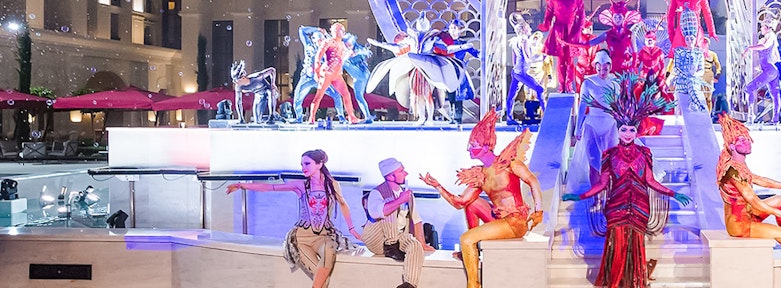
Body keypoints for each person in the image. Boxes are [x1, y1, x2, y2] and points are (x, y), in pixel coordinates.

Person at [563, 74, 691, 288]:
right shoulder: (609, 155)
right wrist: (579, 195)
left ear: (636, 130)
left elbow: (650, 180)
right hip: (617, 206)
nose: (628, 133)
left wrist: (673, 193)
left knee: (636, 244)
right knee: (617, 243)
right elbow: (603, 183)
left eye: (632, 129)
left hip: (640, 206)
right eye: (624, 129)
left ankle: (636, 281)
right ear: (618, 130)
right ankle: (616, 282)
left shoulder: (645, 153)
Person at [421, 108, 544, 288]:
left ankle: (474, 284)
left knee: (466, 239)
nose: (469, 149)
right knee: (472, 203)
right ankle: (473, 250)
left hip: (516, 222)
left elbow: (532, 180)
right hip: (500, 220)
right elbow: (460, 202)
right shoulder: (480, 174)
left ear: (485, 145)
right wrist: (438, 186)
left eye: (473, 145)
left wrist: (538, 210)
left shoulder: (509, 163)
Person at [227, 149, 359, 288]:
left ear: (319, 164)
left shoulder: (332, 184)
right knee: (322, 280)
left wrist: (352, 228)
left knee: (327, 258)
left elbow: (343, 204)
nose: (303, 168)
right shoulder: (300, 185)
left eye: (307, 164)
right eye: (302, 164)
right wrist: (241, 185)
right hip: (302, 239)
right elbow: (270, 187)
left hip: (325, 236)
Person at [716, 113, 781, 288]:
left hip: (747, 215)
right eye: (742, 140)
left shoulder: (739, 165)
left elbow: (758, 179)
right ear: (731, 145)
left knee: (779, 199)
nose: (748, 142)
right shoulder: (733, 171)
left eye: (747, 139)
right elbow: (754, 201)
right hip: (740, 225)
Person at [530, 0, 600, 92]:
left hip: (572, 31)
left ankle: (569, 85)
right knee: (561, 61)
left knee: (570, 61)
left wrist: (577, 31)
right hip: (558, 31)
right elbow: (549, 15)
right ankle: (562, 86)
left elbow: (581, 16)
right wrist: (545, 26)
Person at [362, 157, 427, 288]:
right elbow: (376, 213)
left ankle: (409, 284)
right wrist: (399, 201)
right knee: (388, 208)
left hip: (398, 238)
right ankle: (391, 245)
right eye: (401, 171)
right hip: (378, 240)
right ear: (391, 177)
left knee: (415, 245)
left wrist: (422, 244)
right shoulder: (376, 193)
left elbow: (416, 219)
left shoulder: (406, 194)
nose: (406, 173)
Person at [573, 51, 619, 188]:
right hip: (592, 124)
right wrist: (578, 128)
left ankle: (610, 196)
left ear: (610, 67)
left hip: (610, 124)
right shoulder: (588, 83)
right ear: (595, 67)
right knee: (593, 161)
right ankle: (596, 196)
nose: (602, 72)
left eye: (605, 68)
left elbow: (619, 105)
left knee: (611, 161)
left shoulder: (615, 81)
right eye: (599, 69)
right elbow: (582, 106)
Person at [310, 23, 361, 124]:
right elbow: (318, 56)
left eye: (341, 30)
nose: (340, 33)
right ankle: (311, 117)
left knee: (346, 94)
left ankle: (351, 116)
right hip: (327, 73)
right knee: (318, 96)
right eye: (338, 30)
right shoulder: (328, 42)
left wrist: (353, 54)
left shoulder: (341, 44)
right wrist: (316, 71)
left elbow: (345, 55)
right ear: (333, 32)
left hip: (337, 75)